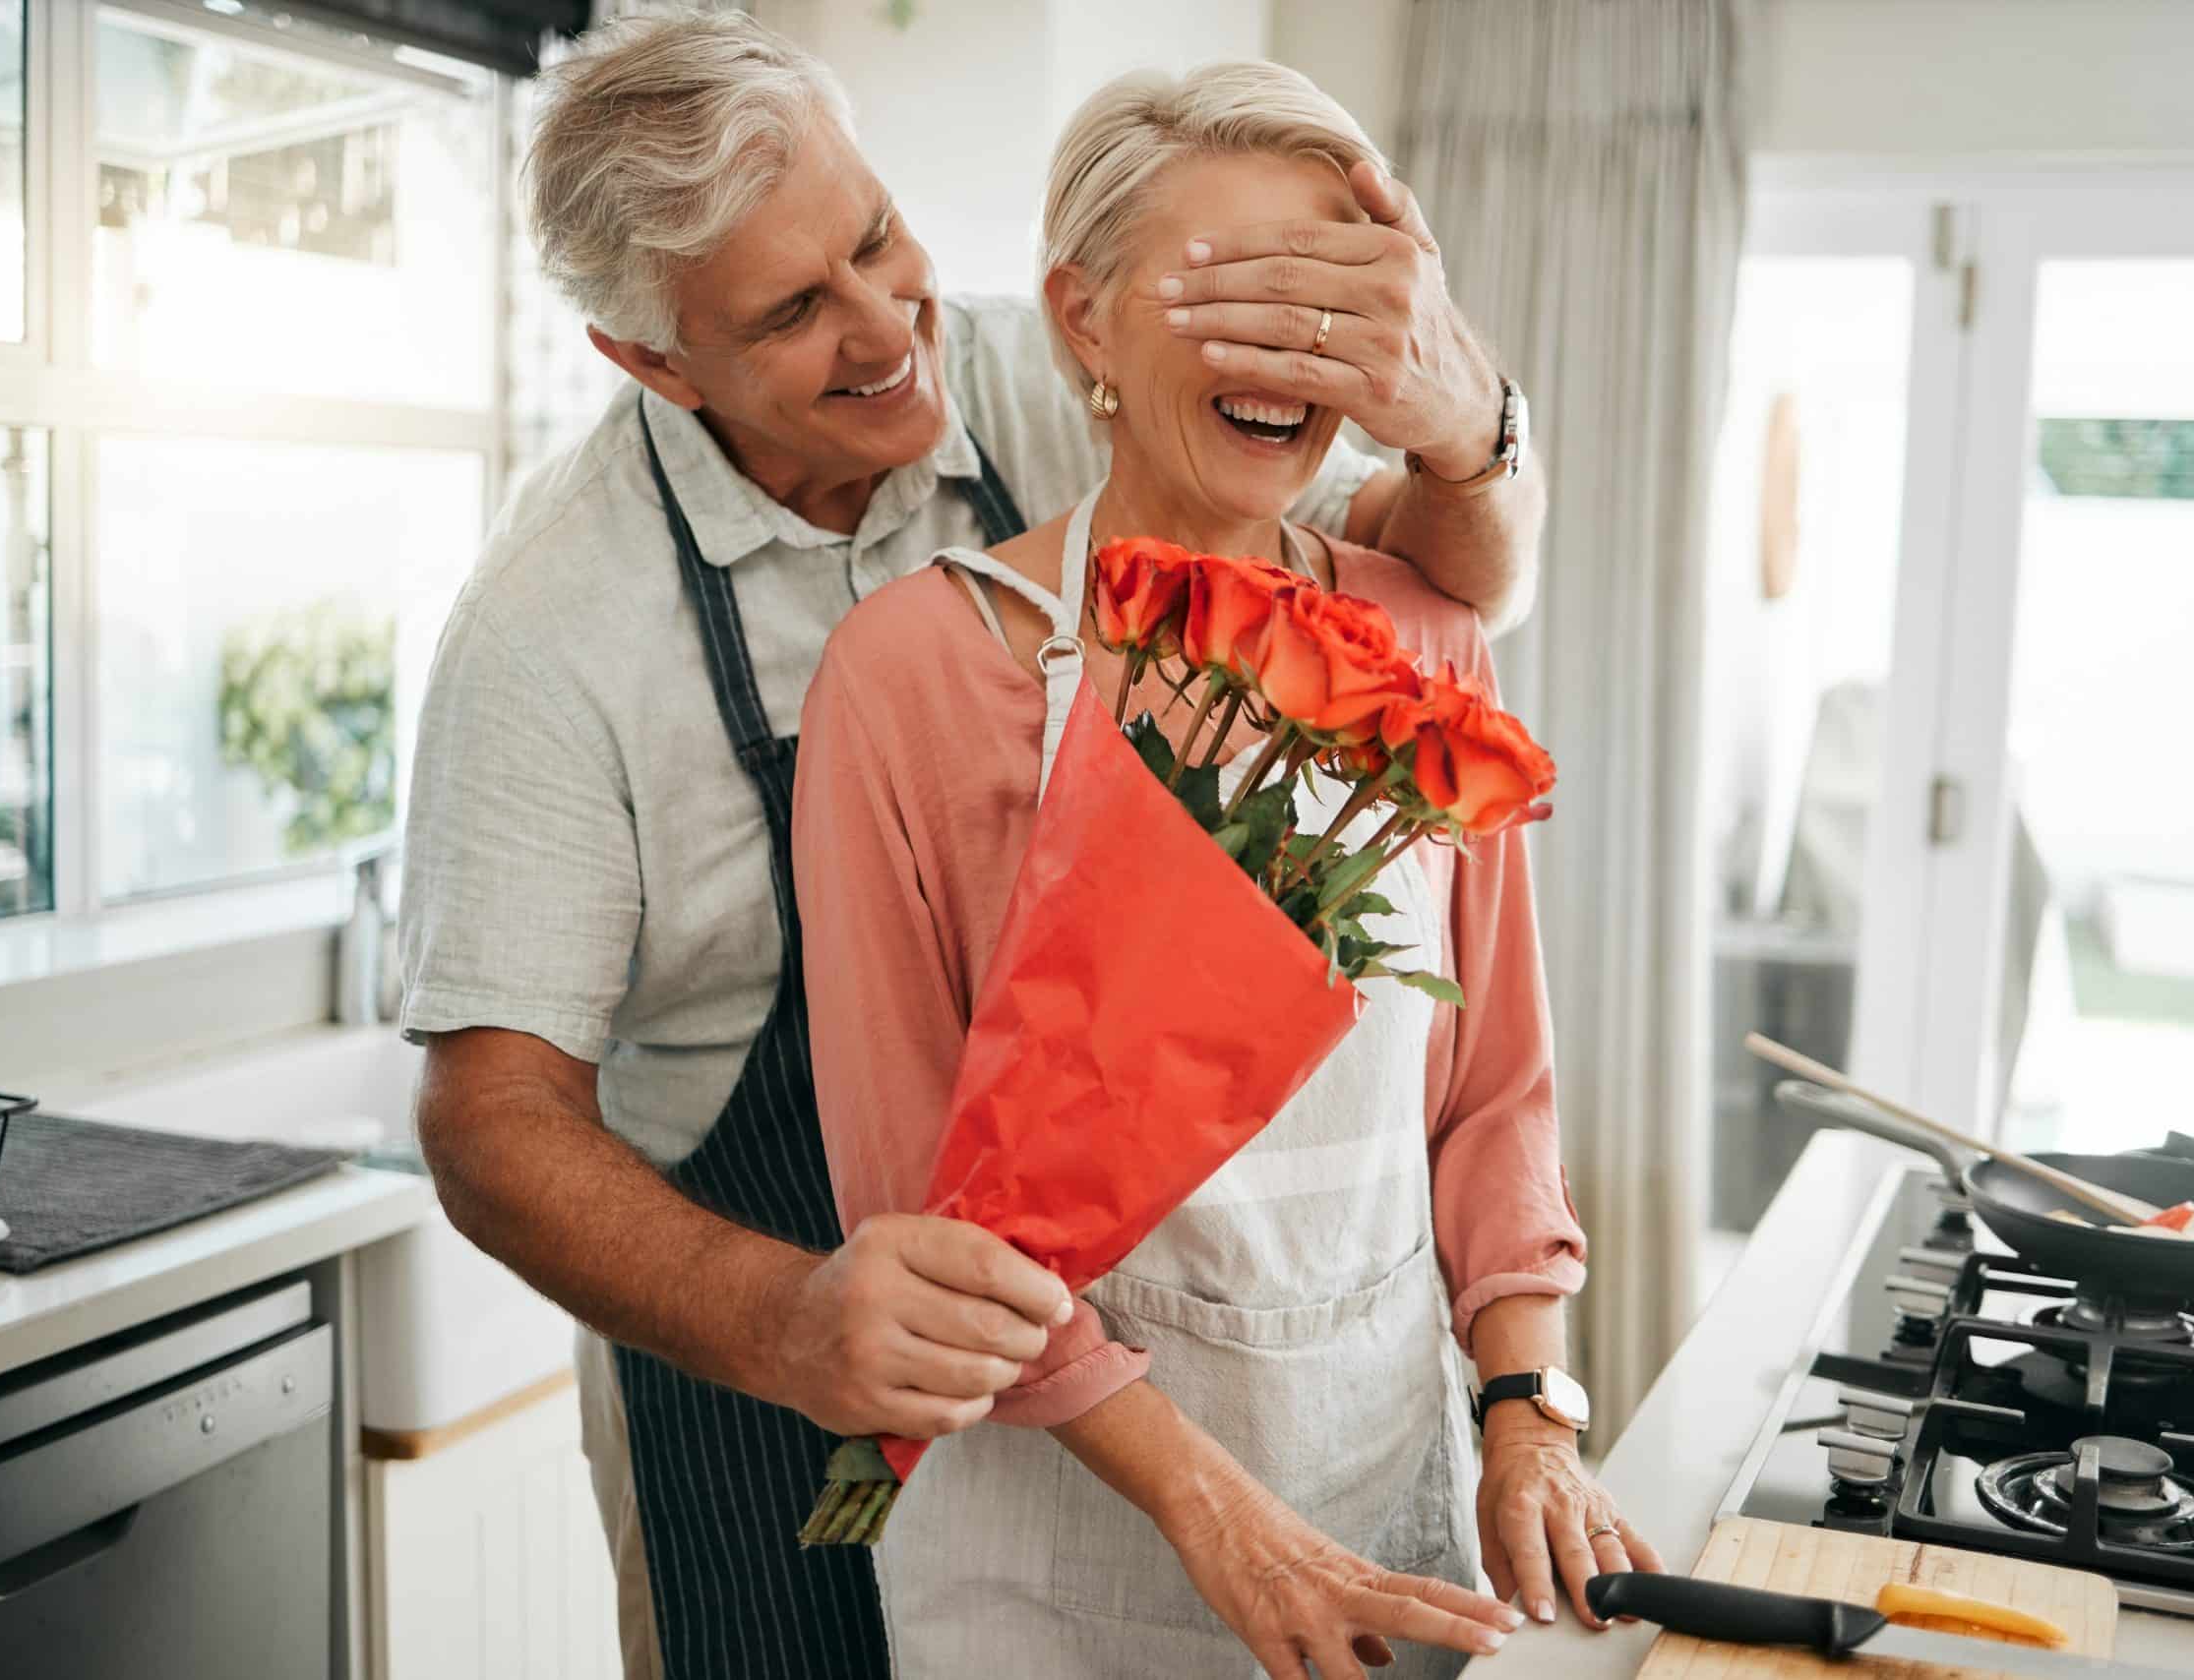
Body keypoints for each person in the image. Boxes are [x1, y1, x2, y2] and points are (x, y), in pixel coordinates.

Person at [399, 13, 1545, 1680]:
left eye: (875, 241)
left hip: (1115, 1351)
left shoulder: (1030, 358)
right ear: (654, 363)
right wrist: (797, 1322)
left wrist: (1470, 421)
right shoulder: (549, 633)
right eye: (792, 312)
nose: (883, 332)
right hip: (754, 1316)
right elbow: (489, 1124)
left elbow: (1417, 572)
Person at [793, 62, 1655, 1680]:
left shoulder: (1426, 637)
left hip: (1383, 1487)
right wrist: (1215, 1513)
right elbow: (922, 1210)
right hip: (1055, 1539)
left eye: (1324, 305)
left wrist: (1531, 1414)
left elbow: (1494, 1103)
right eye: (1229, 297)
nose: (1285, 356)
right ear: (1085, 321)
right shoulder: (912, 675)